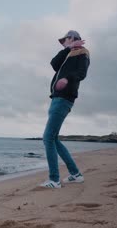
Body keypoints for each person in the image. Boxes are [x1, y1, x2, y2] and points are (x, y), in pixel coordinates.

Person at [40, 30, 90, 188]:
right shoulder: (68, 54)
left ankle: (54, 180)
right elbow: (54, 64)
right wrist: (67, 48)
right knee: (53, 138)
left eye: (66, 40)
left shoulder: (82, 52)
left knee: (48, 137)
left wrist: (66, 79)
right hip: (57, 98)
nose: (63, 43)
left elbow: (82, 73)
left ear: (74, 38)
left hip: (64, 98)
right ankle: (75, 174)